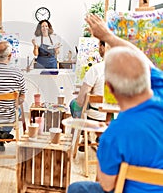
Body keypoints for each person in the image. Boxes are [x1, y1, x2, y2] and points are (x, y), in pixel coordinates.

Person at [67, 14, 163, 193]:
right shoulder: (161, 90)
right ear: (147, 75)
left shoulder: (113, 136)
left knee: (76, 188)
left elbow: (107, 185)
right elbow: (142, 59)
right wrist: (108, 36)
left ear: (109, 88)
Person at [69, 40, 107, 121]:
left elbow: (80, 101)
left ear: (103, 47)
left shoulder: (96, 69)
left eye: (99, 45)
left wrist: (82, 93)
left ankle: (80, 127)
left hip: (96, 116)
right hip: (115, 116)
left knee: (73, 103)